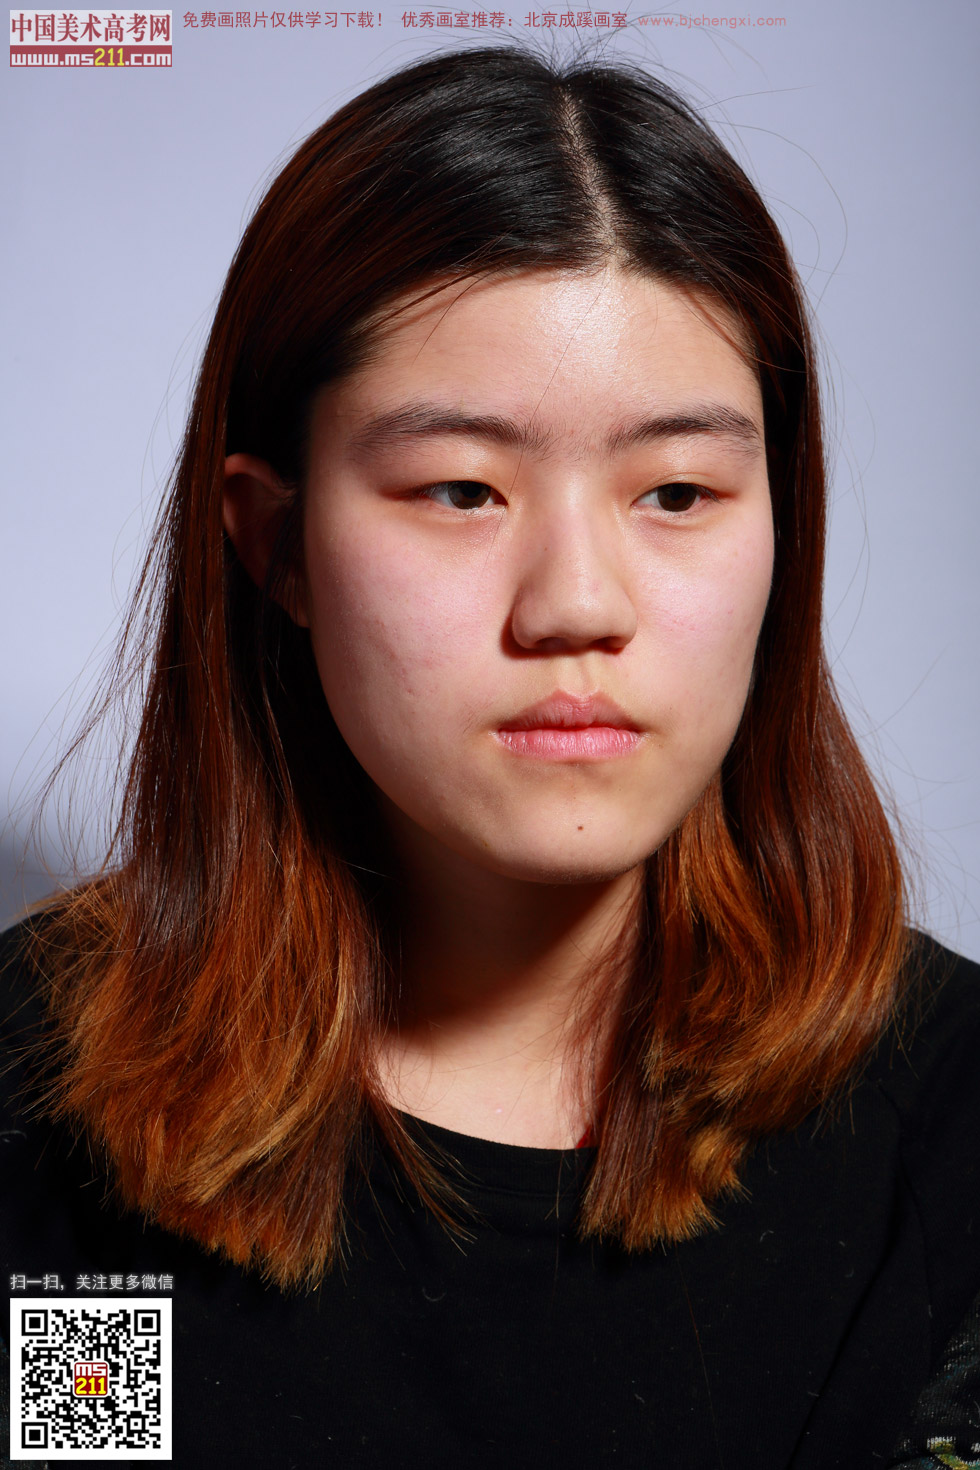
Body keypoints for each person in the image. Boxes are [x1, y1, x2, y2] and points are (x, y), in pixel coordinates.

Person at [2, 43, 979, 1469]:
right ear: (276, 544)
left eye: (677, 491)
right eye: (462, 489)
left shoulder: (949, 1137)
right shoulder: (52, 1113)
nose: (576, 602)